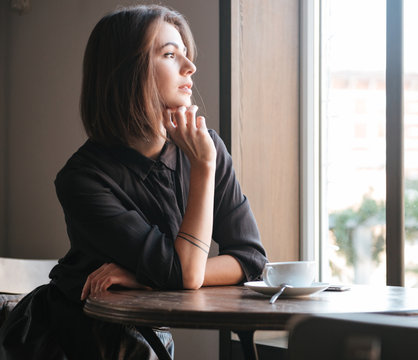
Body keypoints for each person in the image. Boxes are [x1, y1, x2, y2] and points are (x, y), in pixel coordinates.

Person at [0, 4, 267, 359]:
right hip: (72, 339)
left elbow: (250, 259)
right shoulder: (83, 178)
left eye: (186, 55)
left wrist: (148, 277)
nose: (190, 68)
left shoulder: (206, 148)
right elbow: (185, 275)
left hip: (144, 337)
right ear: (127, 71)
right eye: (170, 55)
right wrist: (203, 169)